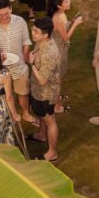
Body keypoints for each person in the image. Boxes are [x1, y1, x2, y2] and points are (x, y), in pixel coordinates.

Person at [28, 16, 61, 162]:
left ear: (45, 35)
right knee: (42, 115)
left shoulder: (49, 54)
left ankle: (52, 153)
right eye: (33, 29)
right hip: (37, 90)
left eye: (36, 31)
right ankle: (42, 135)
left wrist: (31, 64)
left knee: (50, 121)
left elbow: (42, 80)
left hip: (46, 93)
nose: (32, 33)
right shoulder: (41, 42)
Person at [47, 0, 82, 114]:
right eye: (66, 1)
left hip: (61, 48)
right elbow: (66, 37)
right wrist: (75, 24)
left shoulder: (61, 14)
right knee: (57, 80)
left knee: (59, 77)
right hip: (58, 51)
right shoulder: (57, 18)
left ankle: (57, 97)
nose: (69, 2)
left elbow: (64, 28)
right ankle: (57, 106)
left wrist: (71, 21)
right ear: (59, 6)